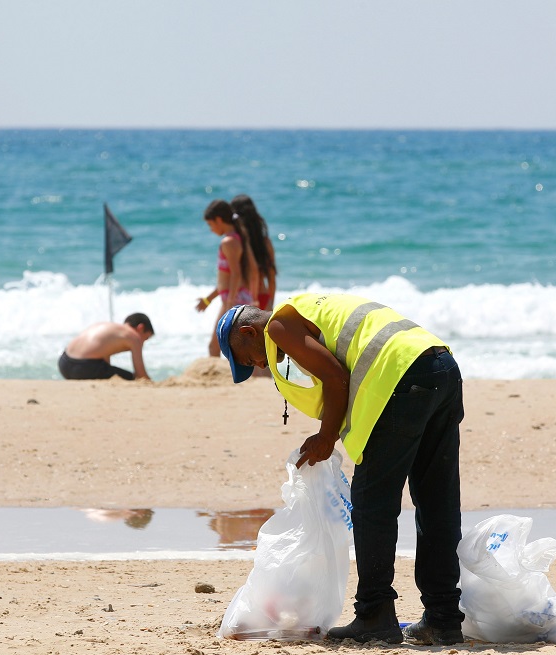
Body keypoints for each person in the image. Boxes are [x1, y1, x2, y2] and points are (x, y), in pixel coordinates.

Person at [215, 295, 466, 646]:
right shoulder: (310, 307)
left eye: (249, 358)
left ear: (249, 332)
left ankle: (374, 614)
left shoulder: (279, 326)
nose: (259, 365)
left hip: (399, 379)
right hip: (440, 366)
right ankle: (443, 619)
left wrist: (326, 437)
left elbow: (336, 377)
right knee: (436, 500)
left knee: (371, 504)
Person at [195, 199, 255, 357]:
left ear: (219, 220)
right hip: (235, 297)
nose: (211, 229)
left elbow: (236, 274)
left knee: (215, 347)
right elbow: (226, 280)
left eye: (211, 225)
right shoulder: (237, 238)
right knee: (236, 347)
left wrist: (230, 302)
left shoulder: (229, 242)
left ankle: (217, 379)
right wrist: (208, 299)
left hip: (234, 300)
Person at [57, 313, 154, 381]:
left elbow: (103, 360)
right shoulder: (134, 336)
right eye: (145, 338)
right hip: (83, 368)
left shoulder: (109, 327)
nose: (142, 342)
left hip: (64, 363)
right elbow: (141, 375)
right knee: (130, 378)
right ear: (140, 328)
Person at [230, 194, 277, 311]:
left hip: (242, 298)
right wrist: (270, 303)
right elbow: (271, 278)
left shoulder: (236, 243)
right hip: (263, 296)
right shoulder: (265, 242)